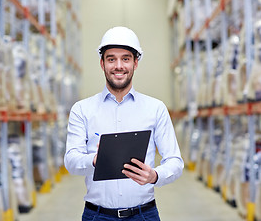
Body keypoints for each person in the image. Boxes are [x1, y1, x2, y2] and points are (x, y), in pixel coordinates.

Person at [64, 26, 184, 220]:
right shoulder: (82, 110)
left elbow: (175, 162)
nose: (118, 66)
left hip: (144, 215)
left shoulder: (155, 108)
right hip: (97, 215)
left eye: (125, 59)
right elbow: (71, 160)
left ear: (135, 63)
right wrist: (95, 160)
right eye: (111, 59)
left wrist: (154, 176)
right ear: (102, 64)